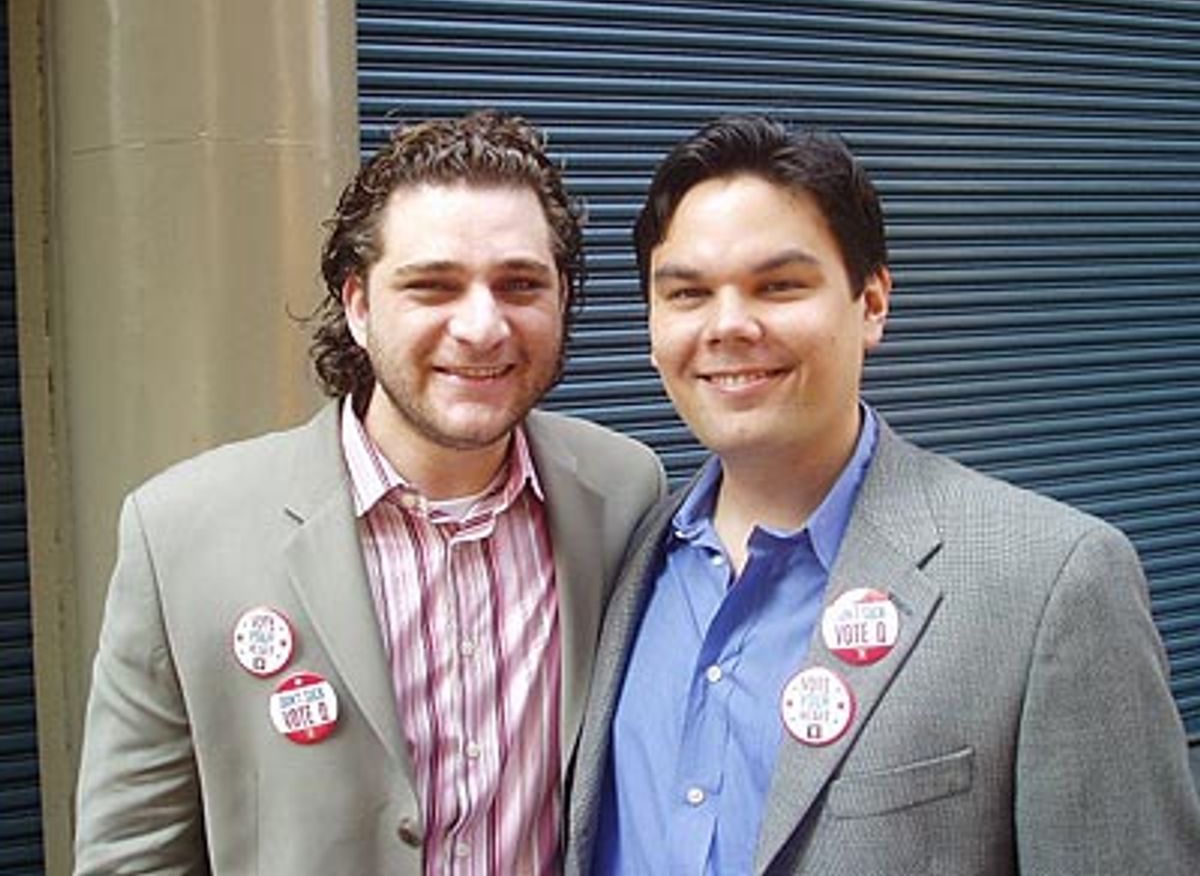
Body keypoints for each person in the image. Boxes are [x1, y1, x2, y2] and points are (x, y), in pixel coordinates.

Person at [565, 115, 1200, 875]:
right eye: (688, 293)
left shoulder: (1054, 582)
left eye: (780, 285)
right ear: (652, 323)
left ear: (871, 304)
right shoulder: (619, 560)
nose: (729, 325)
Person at [73, 110, 666, 875]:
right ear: (358, 305)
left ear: (561, 299)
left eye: (520, 284)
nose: (483, 326)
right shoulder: (181, 535)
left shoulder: (623, 493)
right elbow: (132, 854)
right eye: (433, 286)